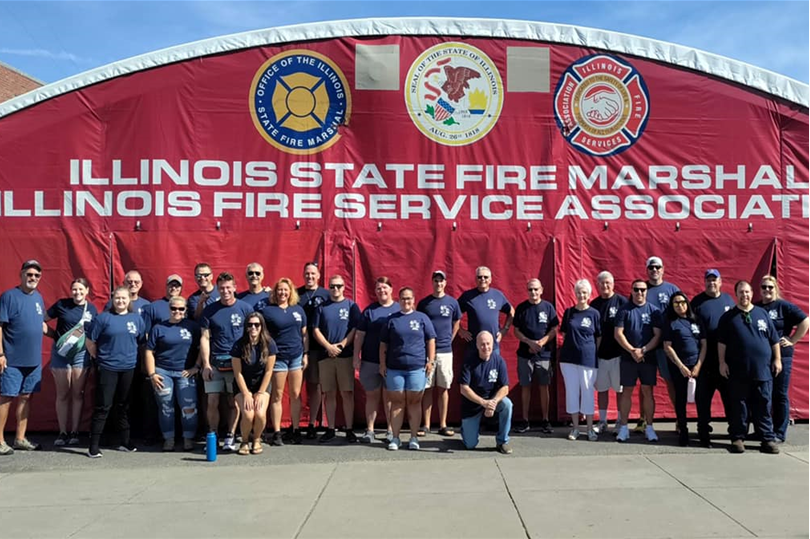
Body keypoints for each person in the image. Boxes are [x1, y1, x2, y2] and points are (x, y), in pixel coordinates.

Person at [718, 281, 781, 454]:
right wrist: (722, 362)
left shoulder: (762, 313)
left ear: (752, 293)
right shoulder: (728, 317)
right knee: (739, 406)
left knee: (763, 405)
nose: (744, 295)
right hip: (738, 371)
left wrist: (777, 359)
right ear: (735, 294)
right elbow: (721, 343)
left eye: (747, 292)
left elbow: (774, 340)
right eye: (740, 292)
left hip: (762, 370)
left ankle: (767, 439)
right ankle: (738, 438)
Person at [85, 286, 146, 458]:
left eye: (123, 298)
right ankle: (93, 446)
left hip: (129, 368)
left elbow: (142, 342)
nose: (120, 301)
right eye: (117, 298)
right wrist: (99, 359)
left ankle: (125, 442)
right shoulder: (104, 318)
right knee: (103, 406)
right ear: (112, 299)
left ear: (129, 300)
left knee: (124, 405)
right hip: (108, 368)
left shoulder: (137, 319)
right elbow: (90, 341)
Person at [200, 272, 253, 451]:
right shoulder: (210, 310)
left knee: (234, 402)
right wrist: (206, 364)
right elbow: (205, 338)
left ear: (235, 287)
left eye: (228, 287)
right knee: (212, 401)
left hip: (236, 364)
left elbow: (252, 336)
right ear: (217, 289)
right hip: (215, 363)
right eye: (221, 288)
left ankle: (231, 436)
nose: (225, 291)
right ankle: (212, 436)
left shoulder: (245, 308)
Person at [380, 287, 437, 450]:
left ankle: (413, 438)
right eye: (403, 298)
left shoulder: (422, 318)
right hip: (394, 368)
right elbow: (383, 343)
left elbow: (431, 340)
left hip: (417, 368)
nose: (406, 301)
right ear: (398, 300)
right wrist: (382, 364)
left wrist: (430, 361)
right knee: (397, 402)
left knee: (414, 402)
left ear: (413, 300)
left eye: (409, 298)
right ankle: (396, 438)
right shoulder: (392, 319)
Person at [0, 260, 47, 455]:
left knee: (27, 397)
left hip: (33, 361)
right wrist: (0, 353)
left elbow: (41, 326)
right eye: (29, 274)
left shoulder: (38, 298)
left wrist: (62, 337)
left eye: (36, 275)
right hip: (12, 360)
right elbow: (0, 326)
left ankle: (20, 438)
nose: (33, 278)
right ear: (21, 275)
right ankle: (0, 440)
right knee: (5, 398)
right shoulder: (9, 296)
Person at [44, 277, 98, 446]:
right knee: (63, 393)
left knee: (77, 393)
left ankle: (75, 431)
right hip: (61, 354)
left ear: (87, 291)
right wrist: (55, 336)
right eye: (74, 289)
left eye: (81, 289)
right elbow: (41, 321)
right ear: (70, 290)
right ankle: (62, 432)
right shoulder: (62, 304)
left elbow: (93, 333)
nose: (77, 292)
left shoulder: (92, 309)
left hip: (81, 354)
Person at [756, 275, 808, 443]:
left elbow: (805, 321)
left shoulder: (783, 306)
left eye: (770, 287)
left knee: (779, 394)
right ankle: (763, 430)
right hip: (761, 358)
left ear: (776, 288)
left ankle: (779, 432)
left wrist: (793, 340)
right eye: (764, 287)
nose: (767, 290)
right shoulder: (755, 307)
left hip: (782, 357)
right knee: (763, 395)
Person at [144, 296, 200, 452]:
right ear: (169, 309)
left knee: (189, 406)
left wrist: (197, 366)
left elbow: (202, 347)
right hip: (163, 372)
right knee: (166, 407)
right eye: (174, 308)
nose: (177, 311)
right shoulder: (159, 328)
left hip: (185, 372)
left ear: (185, 310)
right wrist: (152, 374)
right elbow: (149, 351)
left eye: (181, 309)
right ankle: (168, 439)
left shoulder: (192, 327)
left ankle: (188, 438)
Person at [312, 275, 361, 443]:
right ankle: (331, 428)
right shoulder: (321, 307)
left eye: (339, 286)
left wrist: (342, 345)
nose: (335, 289)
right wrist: (328, 347)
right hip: (325, 355)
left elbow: (356, 328)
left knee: (347, 392)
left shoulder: (351, 306)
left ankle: (349, 429)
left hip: (345, 355)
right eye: (332, 286)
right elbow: (315, 330)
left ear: (344, 286)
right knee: (329, 393)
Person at [691, 269, 736, 447]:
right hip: (705, 360)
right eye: (708, 280)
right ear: (704, 282)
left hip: (724, 361)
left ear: (720, 281)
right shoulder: (697, 302)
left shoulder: (728, 300)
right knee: (703, 400)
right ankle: (703, 433)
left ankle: (735, 433)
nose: (711, 283)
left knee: (730, 399)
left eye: (714, 280)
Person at [614, 278, 662, 443]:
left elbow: (657, 335)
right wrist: (632, 350)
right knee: (627, 391)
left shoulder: (654, 311)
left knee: (648, 391)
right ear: (632, 291)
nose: (639, 292)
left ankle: (649, 427)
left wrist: (644, 350)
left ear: (647, 291)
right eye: (636, 289)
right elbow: (618, 333)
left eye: (642, 290)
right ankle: (624, 428)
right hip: (628, 358)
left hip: (647, 358)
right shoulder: (624, 310)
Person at [261, 278, 307, 445]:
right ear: (275, 292)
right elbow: (263, 335)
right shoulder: (268, 311)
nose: (282, 293)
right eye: (279, 290)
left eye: (286, 290)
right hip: (278, 357)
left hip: (296, 356)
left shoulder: (298, 310)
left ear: (291, 292)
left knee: (296, 394)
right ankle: (278, 432)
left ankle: (296, 430)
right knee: (277, 395)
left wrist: (305, 354)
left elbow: (304, 334)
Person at [354, 277, 398, 443]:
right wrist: (356, 357)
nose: (382, 291)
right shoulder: (369, 311)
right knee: (372, 395)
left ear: (391, 289)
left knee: (390, 396)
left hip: (393, 362)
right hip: (370, 361)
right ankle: (370, 430)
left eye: (385, 288)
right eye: (378, 288)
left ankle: (390, 429)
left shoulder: (399, 309)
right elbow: (359, 335)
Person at [417, 270, 461, 437]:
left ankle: (443, 424)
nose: (438, 284)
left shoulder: (452, 303)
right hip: (427, 353)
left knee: (443, 388)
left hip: (445, 352)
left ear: (445, 283)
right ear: (432, 282)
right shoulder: (424, 303)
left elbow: (457, 321)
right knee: (427, 388)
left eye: (441, 281)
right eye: (435, 280)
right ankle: (426, 424)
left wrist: (451, 338)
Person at [512, 278, 558, 434]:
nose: (533, 292)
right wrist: (529, 342)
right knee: (525, 386)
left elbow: (554, 328)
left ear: (542, 290)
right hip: (525, 354)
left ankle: (545, 420)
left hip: (544, 355)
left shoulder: (548, 307)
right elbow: (516, 330)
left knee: (544, 387)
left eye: (536, 289)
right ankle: (525, 421)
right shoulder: (521, 308)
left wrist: (542, 342)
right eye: (530, 290)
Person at [559, 280, 601, 441]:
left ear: (589, 294)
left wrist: (589, 350)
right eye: (578, 292)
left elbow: (598, 337)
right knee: (572, 392)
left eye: (584, 292)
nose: (581, 295)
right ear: (575, 294)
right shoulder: (569, 312)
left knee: (588, 392)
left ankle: (590, 429)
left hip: (588, 360)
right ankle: (575, 428)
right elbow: (564, 333)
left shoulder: (594, 314)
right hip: (568, 360)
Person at [662, 292, 706, 446]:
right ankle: (683, 432)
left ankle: (703, 433)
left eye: (682, 302)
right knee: (680, 400)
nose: (680, 305)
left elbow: (704, 344)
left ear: (687, 303)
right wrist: (680, 366)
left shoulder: (696, 320)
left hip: (697, 366)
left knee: (701, 400)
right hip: (679, 367)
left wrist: (698, 365)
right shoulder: (670, 323)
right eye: (676, 303)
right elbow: (667, 347)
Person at [459, 331, 513, 454]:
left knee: (507, 405)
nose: (486, 347)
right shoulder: (468, 362)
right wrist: (484, 403)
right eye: (482, 344)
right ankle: (465, 430)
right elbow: (464, 389)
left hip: (492, 400)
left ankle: (502, 441)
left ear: (493, 344)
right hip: (473, 403)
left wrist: (493, 403)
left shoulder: (499, 361)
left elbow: (505, 388)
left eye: (488, 344)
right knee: (470, 445)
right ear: (477, 345)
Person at [643, 256, 680, 432]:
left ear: (663, 269)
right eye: (651, 268)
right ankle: (643, 420)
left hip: (666, 345)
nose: (654, 270)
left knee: (670, 382)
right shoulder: (641, 289)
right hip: (647, 345)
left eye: (657, 267)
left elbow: (682, 312)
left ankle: (680, 419)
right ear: (647, 270)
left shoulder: (672, 290)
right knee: (645, 385)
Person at [231, 313, 277, 455]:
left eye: (256, 325)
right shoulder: (239, 345)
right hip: (243, 385)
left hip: (262, 385)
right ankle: (245, 441)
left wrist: (261, 393)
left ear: (261, 326)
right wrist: (246, 394)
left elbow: (269, 371)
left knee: (260, 413)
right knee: (248, 413)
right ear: (246, 327)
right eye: (250, 325)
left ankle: (256, 439)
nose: (253, 328)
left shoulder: (269, 344)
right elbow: (237, 373)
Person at [591, 271, 629, 435]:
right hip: (600, 355)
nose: (605, 286)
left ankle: (621, 421)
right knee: (602, 389)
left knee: (620, 390)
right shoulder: (594, 304)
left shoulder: (622, 302)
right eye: (602, 283)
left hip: (618, 355)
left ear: (613, 284)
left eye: (608, 283)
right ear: (598, 285)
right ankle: (603, 421)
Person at [297, 262, 329, 439]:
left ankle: (312, 423)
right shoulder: (296, 293)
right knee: (296, 388)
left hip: (318, 348)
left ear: (318, 275)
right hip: (297, 347)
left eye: (313, 274)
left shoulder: (325, 294)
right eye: (307, 273)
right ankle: (295, 424)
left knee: (315, 385)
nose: (309, 277)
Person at [457, 266, 514, 353]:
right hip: (474, 346)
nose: (482, 279)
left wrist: (505, 329)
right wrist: (460, 330)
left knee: (494, 367)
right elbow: (454, 314)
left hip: (493, 346)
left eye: (485, 277)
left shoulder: (498, 295)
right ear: (476, 279)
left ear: (490, 279)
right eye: (479, 277)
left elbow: (511, 312)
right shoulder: (467, 296)